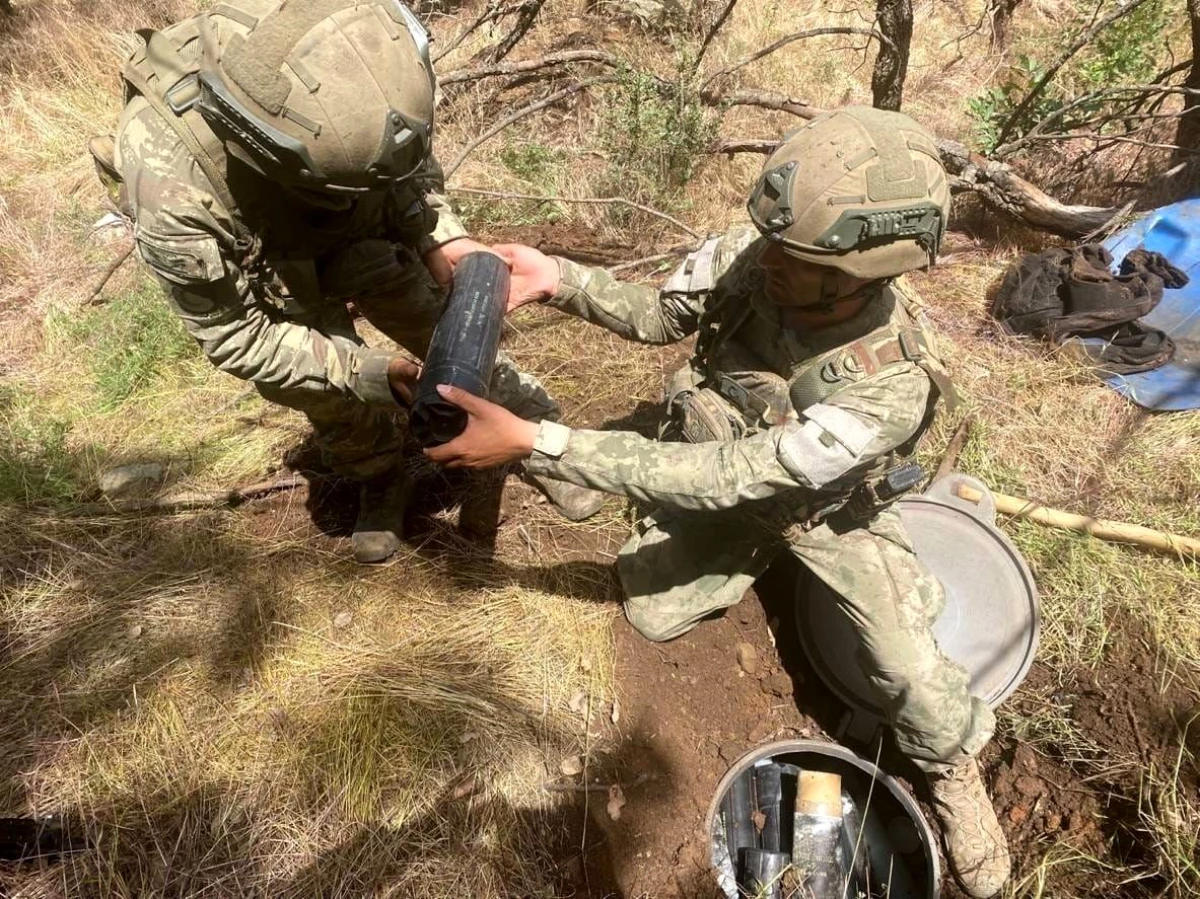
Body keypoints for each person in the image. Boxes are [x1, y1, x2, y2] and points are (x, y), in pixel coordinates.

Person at [422, 107, 1011, 897]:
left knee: (905, 665)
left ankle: (951, 764)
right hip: (715, 452)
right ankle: (526, 420)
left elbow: (739, 474)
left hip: (826, 512)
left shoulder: (888, 384)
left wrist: (543, 444)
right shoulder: (755, 255)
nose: (767, 258)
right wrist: (558, 278)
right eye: (770, 239)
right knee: (652, 612)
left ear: (855, 277)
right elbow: (659, 315)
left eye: (793, 255)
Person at [102, 0, 603, 563]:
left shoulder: (363, 45)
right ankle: (380, 475)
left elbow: (406, 161)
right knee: (314, 382)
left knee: (449, 323)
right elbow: (236, 336)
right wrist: (361, 373)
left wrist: (440, 234)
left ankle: (533, 436)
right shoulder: (172, 182)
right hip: (267, 254)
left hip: (358, 221)